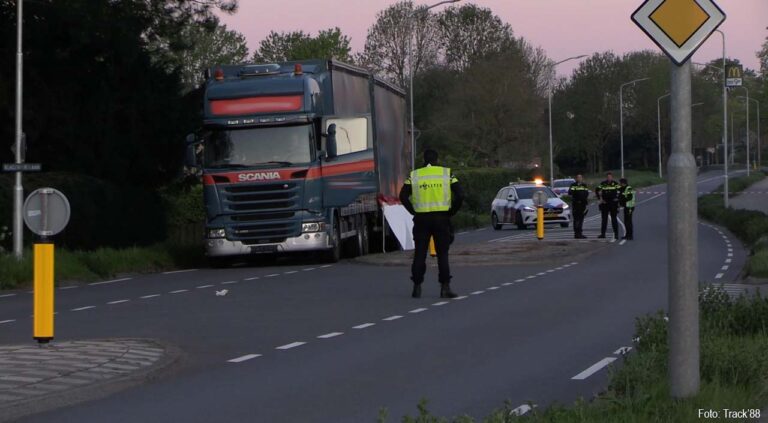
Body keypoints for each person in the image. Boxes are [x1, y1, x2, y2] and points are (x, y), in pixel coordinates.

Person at [399, 149, 464, 299]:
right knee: (442, 254)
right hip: (441, 218)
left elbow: (403, 195)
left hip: (421, 219)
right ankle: (445, 287)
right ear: (437, 159)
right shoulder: (446, 173)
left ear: (424, 159)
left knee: (420, 253)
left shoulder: (415, 175)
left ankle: (416, 286)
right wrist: (452, 211)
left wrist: (413, 211)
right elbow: (461, 194)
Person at [595, 171, 620, 239]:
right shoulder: (603, 183)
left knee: (614, 219)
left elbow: (621, 191)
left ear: (612, 177)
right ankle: (603, 234)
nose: (609, 178)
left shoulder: (615, 183)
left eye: (610, 177)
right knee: (604, 220)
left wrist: (617, 198)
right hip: (605, 203)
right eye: (608, 177)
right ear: (606, 177)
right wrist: (599, 198)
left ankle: (616, 235)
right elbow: (597, 190)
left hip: (613, 203)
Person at [568, 174, 590, 239]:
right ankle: (576, 233)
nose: (579, 179)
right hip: (576, 204)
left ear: (582, 178)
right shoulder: (573, 185)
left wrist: (586, 202)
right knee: (576, 220)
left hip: (583, 204)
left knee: (581, 219)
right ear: (576, 178)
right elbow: (569, 193)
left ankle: (580, 233)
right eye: (578, 177)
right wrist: (574, 198)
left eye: (580, 177)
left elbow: (586, 193)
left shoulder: (584, 185)